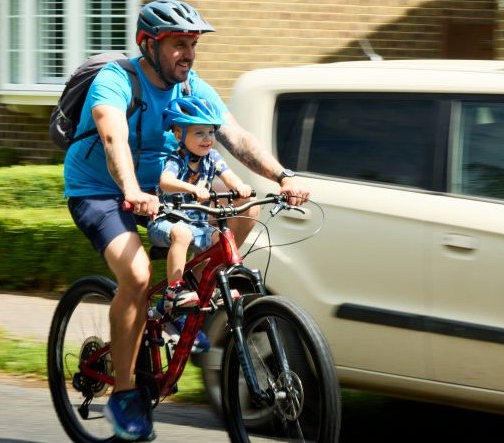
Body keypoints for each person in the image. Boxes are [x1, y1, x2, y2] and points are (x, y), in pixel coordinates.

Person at [62, 1, 310, 440]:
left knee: (246, 208)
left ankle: (182, 301)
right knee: (137, 276)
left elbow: (236, 137)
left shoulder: (192, 87)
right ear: (147, 44)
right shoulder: (116, 80)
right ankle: (124, 395)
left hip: (162, 192)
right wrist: (131, 189)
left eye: (193, 44)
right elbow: (112, 133)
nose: (189, 55)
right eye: (179, 44)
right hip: (99, 190)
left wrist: (283, 176)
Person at [149, 96, 251, 312]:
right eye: (199, 133)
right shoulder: (176, 159)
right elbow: (165, 181)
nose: (207, 138)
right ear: (179, 135)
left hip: (198, 225)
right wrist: (192, 188)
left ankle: (212, 286)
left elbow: (229, 176)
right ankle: (174, 291)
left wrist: (241, 187)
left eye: (211, 132)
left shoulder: (212, 157)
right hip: (167, 222)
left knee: (221, 240)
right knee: (182, 233)